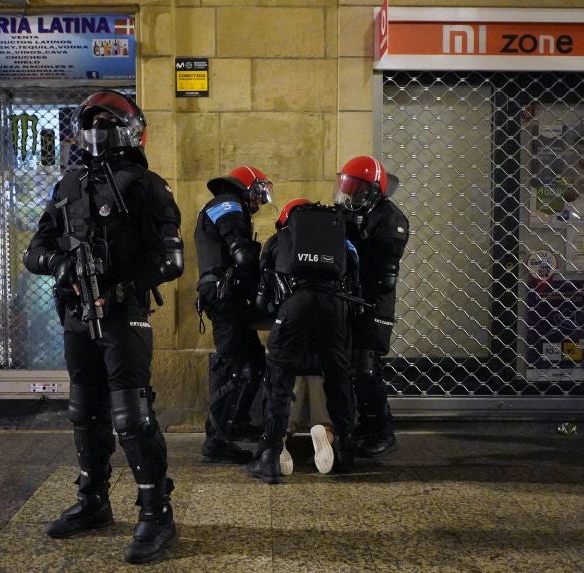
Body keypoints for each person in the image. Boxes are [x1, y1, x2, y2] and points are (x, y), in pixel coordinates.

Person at [23, 91, 183, 564]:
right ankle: (94, 501)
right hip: (75, 312)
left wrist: (118, 288)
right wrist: (61, 264)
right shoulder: (68, 185)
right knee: (82, 408)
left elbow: (171, 261)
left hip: (122, 312)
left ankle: (157, 512)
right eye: (91, 123)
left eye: (107, 123)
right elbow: (36, 249)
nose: (98, 132)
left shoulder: (147, 186)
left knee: (131, 415)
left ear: (131, 129)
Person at [247, 199, 359, 483]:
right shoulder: (341, 241)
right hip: (335, 306)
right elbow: (355, 275)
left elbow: (263, 290)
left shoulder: (279, 239)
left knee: (279, 381)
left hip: (296, 305)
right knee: (339, 379)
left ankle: (270, 456)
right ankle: (344, 450)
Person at [194, 166, 274, 464]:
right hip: (225, 296)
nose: (258, 202)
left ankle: (237, 422)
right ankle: (216, 441)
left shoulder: (225, 205)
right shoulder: (227, 205)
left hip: (227, 295)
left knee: (253, 362)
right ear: (247, 188)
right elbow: (241, 253)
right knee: (234, 367)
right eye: (257, 193)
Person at [334, 156, 410, 458]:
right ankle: (365, 425)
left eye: (355, 188)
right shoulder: (355, 213)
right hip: (353, 300)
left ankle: (382, 431)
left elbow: (383, 277)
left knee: (366, 368)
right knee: (354, 367)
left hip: (374, 303)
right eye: (346, 186)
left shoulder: (391, 220)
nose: (349, 194)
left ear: (371, 191)